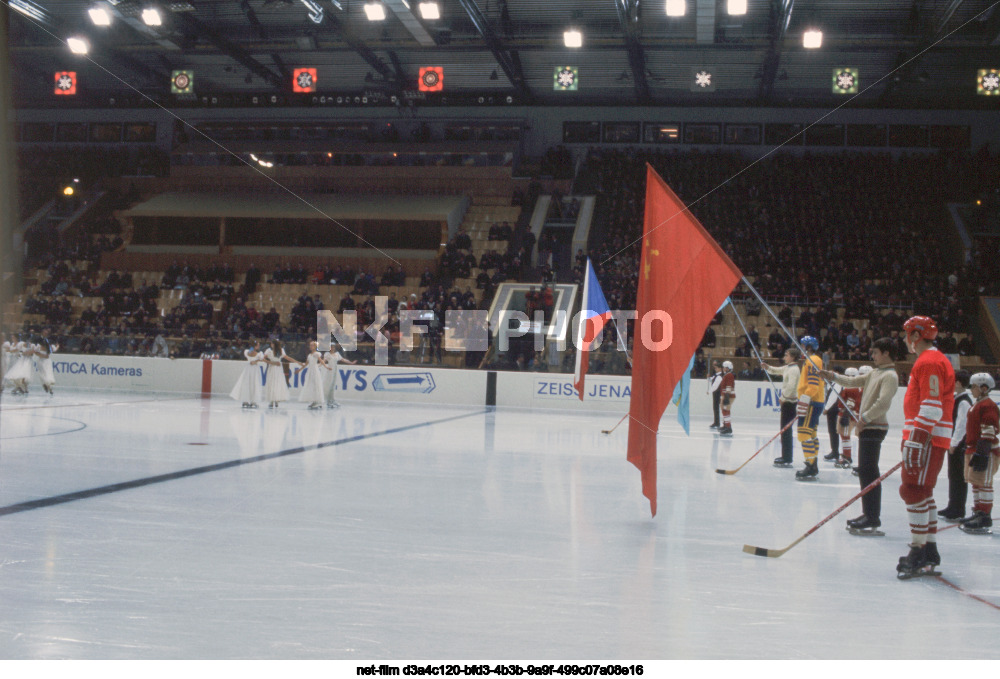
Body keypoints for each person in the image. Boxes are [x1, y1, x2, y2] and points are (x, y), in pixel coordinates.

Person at [821, 338, 899, 536]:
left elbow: (883, 403)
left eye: (875, 352)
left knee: (870, 472)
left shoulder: (890, 375)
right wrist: (831, 375)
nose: (872, 355)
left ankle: (872, 516)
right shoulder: (875, 372)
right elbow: (851, 381)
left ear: (886, 353)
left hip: (875, 427)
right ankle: (868, 513)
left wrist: (864, 418)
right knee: (865, 472)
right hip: (868, 426)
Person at [896, 315, 955, 578]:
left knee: (912, 490)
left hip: (927, 438)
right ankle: (929, 549)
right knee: (924, 492)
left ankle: (918, 550)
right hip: (928, 437)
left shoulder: (930, 361)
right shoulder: (931, 359)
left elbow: (932, 405)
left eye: (907, 333)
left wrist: (917, 439)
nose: (905, 338)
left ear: (916, 335)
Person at [958, 372, 999, 534]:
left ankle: (985, 516)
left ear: (983, 388)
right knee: (975, 482)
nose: (971, 389)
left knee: (984, 483)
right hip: (973, 448)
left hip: (984, 451)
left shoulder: (988, 405)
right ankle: (978, 511)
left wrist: (983, 452)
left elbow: (989, 429)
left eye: (974, 386)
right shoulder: (978, 404)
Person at [940, 370, 973, 521]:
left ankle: (958, 509)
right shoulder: (957, 399)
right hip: (954, 444)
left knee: (959, 477)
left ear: (958, 383)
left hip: (959, 445)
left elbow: (962, 425)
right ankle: (952, 505)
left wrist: (953, 443)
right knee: (953, 475)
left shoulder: (964, 401)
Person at [763, 347, 801, 467]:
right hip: (787, 402)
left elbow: (792, 387)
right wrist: (767, 367)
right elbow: (776, 370)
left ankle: (787, 457)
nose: (784, 357)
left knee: (786, 430)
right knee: (784, 430)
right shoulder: (788, 367)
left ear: (793, 357)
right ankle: (785, 455)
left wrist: (783, 398)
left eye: (787, 355)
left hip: (790, 403)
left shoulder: (794, 370)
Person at [795, 336, 825, 481]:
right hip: (814, 402)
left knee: (803, 434)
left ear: (809, 347)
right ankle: (813, 464)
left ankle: (810, 464)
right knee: (811, 434)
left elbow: (812, 385)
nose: (800, 348)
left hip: (811, 402)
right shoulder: (812, 360)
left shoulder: (813, 360)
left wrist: (804, 400)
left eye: (802, 345)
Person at [835, 367, 863, 469]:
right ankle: (847, 456)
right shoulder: (861, 388)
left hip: (847, 414)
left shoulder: (849, 388)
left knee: (845, 436)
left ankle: (847, 457)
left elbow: (843, 403)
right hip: (856, 414)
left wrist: (844, 411)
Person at [297, 341, 332, 410]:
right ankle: (314, 401)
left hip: (315, 371)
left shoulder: (316, 354)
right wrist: (300, 369)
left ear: (315, 346)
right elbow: (306, 364)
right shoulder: (309, 355)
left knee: (316, 385)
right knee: (311, 385)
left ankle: (318, 402)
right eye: (310, 345)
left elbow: (321, 361)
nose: (310, 347)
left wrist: (326, 367)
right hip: (310, 371)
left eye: (312, 345)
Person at [323, 340, 357, 408]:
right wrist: (320, 366)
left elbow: (343, 360)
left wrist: (351, 363)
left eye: (333, 347)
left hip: (334, 371)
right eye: (331, 347)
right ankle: (328, 401)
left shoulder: (337, 354)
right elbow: (323, 361)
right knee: (329, 386)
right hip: (330, 371)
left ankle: (332, 400)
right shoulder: (327, 354)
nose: (332, 348)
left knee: (332, 386)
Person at [230, 340, 263, 408]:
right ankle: (253, 401)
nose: (259, 346)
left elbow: (250, 354)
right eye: (258, 345)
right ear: (255, 346)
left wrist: (254, 360)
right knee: (254, 384)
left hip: (248, 369)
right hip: (254, 369)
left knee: (247, 384)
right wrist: (256, 361)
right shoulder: (259, 354)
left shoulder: (247, 352)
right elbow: (261, 358)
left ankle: (246, 401)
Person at [822, 368, 845, 463]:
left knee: (834, 431)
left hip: (834, 409)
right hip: (832, 410)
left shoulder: (838, 384)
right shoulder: (831, 383)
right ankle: (834, 450)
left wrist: (826, 408)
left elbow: (833, 397)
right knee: (832, 431)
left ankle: (835, 451)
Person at [32, 328, 57, 396]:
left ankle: (49, 387)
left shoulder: (49, 341)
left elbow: (52, 349)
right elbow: (35, 352)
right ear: (42, 333)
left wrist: (57, 346)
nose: (46, 334)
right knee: (42, 373)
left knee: (48, 372)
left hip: (47, 360)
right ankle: (45, 384)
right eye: (44, 333)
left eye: (47, 333)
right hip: (41, 360)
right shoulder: (38, 341)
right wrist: (42, 355)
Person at [718, 360, 736, 436]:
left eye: (724, 367)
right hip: (725, 395)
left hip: (728, 396)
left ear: (728, 368)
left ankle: (728, 427)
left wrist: (726, 396)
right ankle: (725, 425)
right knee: (724, 409)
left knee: (726, 410)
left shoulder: (729, 375)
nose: (723, 368)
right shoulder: (727, 375)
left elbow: (729, 385)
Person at [708, 360, 723, 429]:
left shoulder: (719, 376)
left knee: (716, 407)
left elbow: (715, 386)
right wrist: (709, 377)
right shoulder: (715, 375)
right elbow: (711, 380)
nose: (715, 369)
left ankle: (717, 422)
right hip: (715, 393)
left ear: (720, 368)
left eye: (716, 368)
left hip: (717, 393)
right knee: (715, 407)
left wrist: (709, 391)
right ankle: (716, 422)